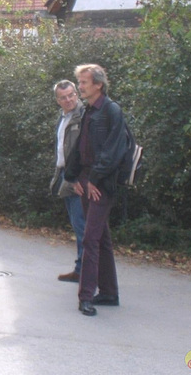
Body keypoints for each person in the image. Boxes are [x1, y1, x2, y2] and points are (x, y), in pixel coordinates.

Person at [64, 64, 126, 316]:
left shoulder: (111, 110)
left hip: (102, 183)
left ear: (98, 84)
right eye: (79, 82)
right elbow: (81, 148)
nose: (80, 87)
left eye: (84, 82)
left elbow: (113, 151)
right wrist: (73, 177)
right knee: (102, 239)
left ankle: (86, 297)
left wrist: (94, 179)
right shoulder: (90, 110)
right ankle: (109, 293)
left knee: (90, 239)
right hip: (89, 179)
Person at [49, 80, 85, 283]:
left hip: (78, 178)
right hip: (65, 175)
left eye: (71, 95)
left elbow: (83, 152)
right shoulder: (62, 118)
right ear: (58, 100)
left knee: (82, 226)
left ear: (77, 94)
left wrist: (79, 177)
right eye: (63, 97)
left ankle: (86, 272)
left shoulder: (83, 117)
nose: (68, 99)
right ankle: (80, 269)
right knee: (77, 224)